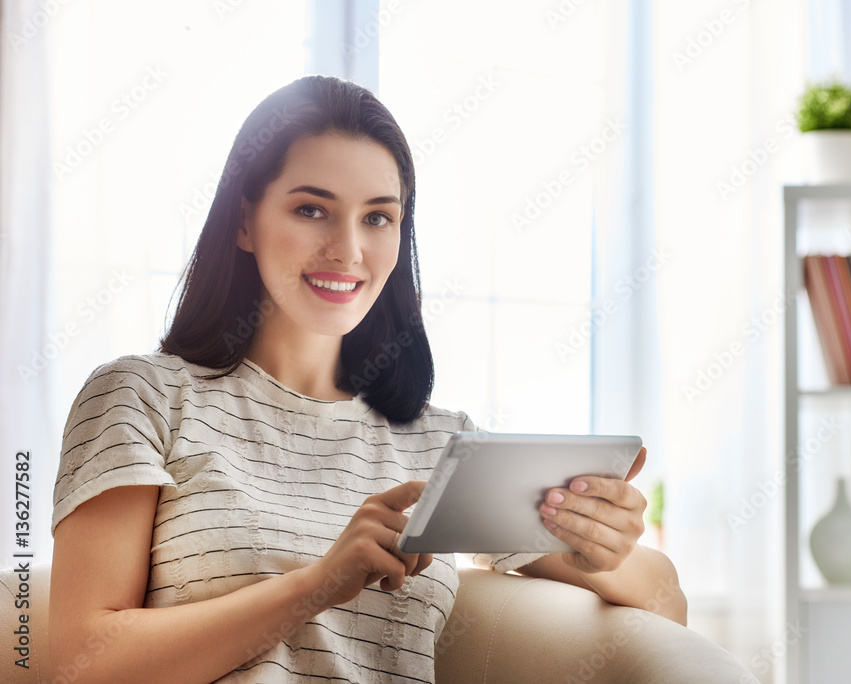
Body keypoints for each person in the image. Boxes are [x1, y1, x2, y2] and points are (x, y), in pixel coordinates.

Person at [49, 75, 686, 683]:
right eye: (311, 209)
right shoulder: (142, 397)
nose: (348, 250)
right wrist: (316, 583)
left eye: (378, 217)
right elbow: (81, 663)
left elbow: (667, 602)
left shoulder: (439, 444)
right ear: (244, 221)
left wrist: (604, 548)